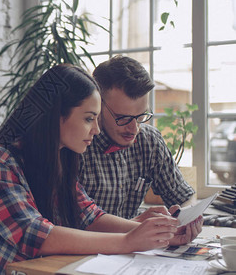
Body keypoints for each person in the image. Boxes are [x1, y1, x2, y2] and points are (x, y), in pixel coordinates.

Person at [0, 64, 199, 274]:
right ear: (55, 115)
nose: (96, 130)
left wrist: (154, 233)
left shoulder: (57, 160)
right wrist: (130, 238)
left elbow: (89, 216)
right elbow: (35, 236)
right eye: (88, 119)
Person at [79, 55, 198, 222]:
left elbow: (185, 197)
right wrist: (138, 227)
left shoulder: (149, 141)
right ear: (97, 104)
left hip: (135, 245)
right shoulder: (78, 145)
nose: (134, 128)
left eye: (141, 116)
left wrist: (187, 220)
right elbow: (76, 224)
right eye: (123, 118)